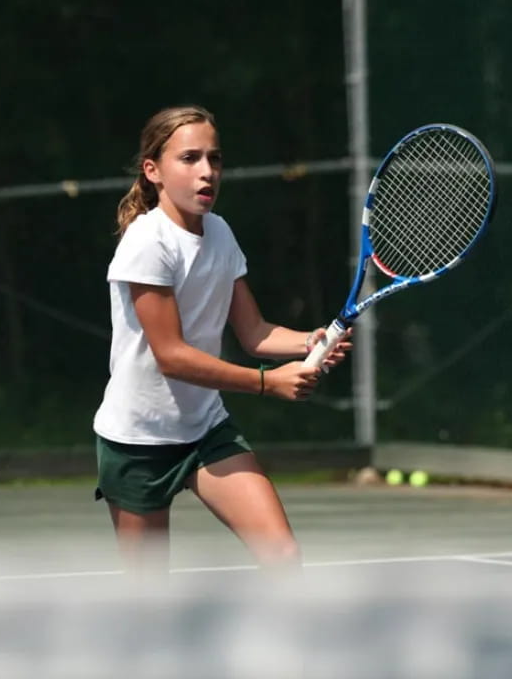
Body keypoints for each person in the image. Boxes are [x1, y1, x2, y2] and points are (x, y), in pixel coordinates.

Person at [93, 105, 350, 574]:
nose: (207, 172)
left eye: (215, 159)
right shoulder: (147, 242)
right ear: (153, 171)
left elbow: (254, 332)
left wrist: (307, 341)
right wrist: (267, 384)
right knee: (147, 596)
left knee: (283, 555)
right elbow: (171, 356)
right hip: (138, 439)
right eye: (189, 159)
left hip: (206, 431)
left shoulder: (220, 233)